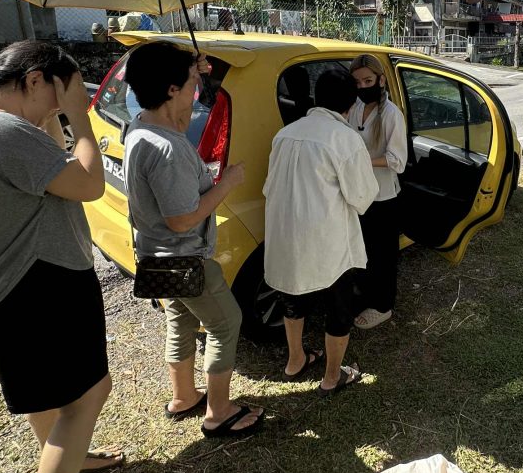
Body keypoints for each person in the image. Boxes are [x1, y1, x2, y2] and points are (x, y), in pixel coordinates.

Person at [0, 41, 122, 473]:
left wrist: (49, 116)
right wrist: (80, 120)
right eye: (60, 94)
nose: (64, 106)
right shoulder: (1, 133)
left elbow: (51, 165)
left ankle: (68, 460)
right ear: (33, 80)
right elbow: (86, 183)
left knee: (45, 399)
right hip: (38, 286)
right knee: (88, 395)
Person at [122, 42, 263, 439]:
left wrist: (196, 74)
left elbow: (180, 123)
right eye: (189, 83)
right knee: (225, 321)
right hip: (184, 257)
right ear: (171, 90)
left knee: (180, 317)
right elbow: (183, 219)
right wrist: (227, 183)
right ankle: (219, 411)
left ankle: (184, 396)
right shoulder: (167, 150)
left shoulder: (144, 126)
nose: (194, 89)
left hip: (155, 255)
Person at [263, 69, 378, 396]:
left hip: (284, 232)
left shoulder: (285, 133)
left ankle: (295, 361)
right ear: (351, 103)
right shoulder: (345, 139)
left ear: (317, 98)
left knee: (293, 298)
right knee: (338, 309)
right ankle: (332, 377)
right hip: (326, 241)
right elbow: (362, 197)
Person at [347, 54, 408, 330]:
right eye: (357, 82)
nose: (362, 87)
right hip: (358, 193)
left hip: (383, 197)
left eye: (368, 81)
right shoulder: (355, 106)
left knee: (382, 256)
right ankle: (364, 296)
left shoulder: (393, 115)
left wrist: (362, 159)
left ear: (381, 80)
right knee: (362, 252)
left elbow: (398, 161)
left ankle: (383, 306)